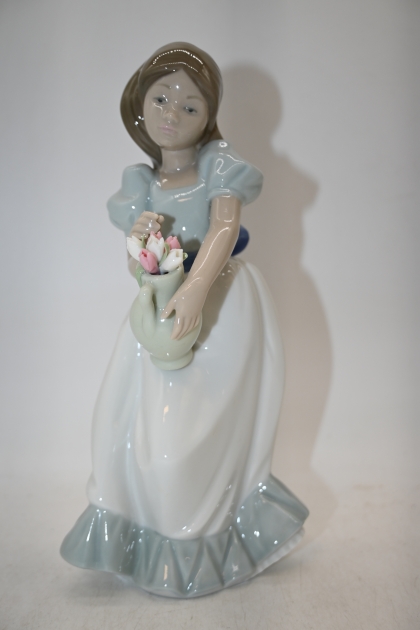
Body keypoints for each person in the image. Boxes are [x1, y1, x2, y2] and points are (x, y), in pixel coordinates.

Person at [61, 42, 308, 598]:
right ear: (139, 104)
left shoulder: (218, 165)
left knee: (188, 438)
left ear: (208, 115)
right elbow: (136, 264)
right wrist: (144, 250)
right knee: (120, 423)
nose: (172, 113)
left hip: (220, 301)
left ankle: (198, 543)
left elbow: (224, 227)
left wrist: (196, 290)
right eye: (161, 99)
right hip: (163, 305)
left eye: (190, 105)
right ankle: (139, 535)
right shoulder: (140, 183)